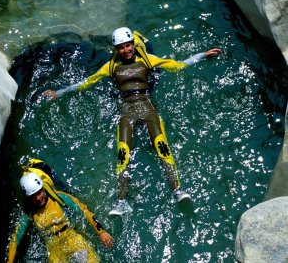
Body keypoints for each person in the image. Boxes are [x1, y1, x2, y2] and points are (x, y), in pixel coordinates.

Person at [42, 27, 222, 215]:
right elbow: (86, 82)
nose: (126, 50)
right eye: (121, 47)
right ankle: (121, 201)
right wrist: (59, 92)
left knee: (162, 148)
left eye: (128, 45)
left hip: (147, 106)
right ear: (116, 49)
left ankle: (177, 190)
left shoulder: (147, 59)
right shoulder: (110, 67)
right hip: (126, 110)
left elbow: (177, 65)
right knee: (123, 155)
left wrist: (203, 55)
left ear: (133, 44)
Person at [7, 172, 114, 262]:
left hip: (73, 240)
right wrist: (9, 261)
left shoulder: (59, 198)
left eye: (39, 193)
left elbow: (85, 210)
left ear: (43, 188)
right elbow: (15, 239)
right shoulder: (29, 214)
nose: (38, 198)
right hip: (53, 248)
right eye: (33, 196)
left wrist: (101, 231)